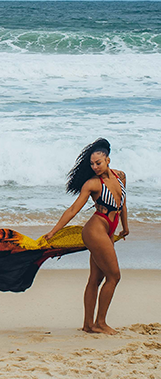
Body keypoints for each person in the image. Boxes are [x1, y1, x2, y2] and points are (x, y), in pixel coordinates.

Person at [43, 138, 128, 335]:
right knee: (114, 276)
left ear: (108, 160)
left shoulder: (121, 176)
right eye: (92, 164)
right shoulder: (92, 184)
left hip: (108, 231)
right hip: (95, 230)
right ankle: (100, 323)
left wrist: (125, 227)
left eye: (98, 162)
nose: (95, 167)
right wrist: (54, 231)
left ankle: (88, 325)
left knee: (96, 279)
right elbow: (73, 209)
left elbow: (122, 203)